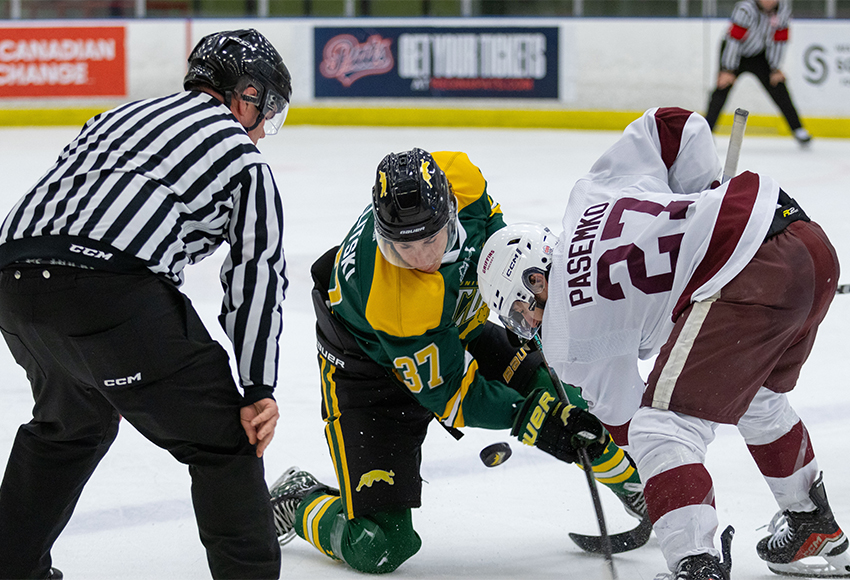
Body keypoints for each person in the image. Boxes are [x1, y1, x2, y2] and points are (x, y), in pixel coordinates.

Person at [477, 107, 845, 579]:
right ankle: (811, 522)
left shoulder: (566, 336)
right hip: (801, 238)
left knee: (662, 430)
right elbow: (673, 125)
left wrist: (652, 477)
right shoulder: (589, 196)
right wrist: (703, 195)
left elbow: (631, 423)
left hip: (743, 276)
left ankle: (696, 566)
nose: (528, 325)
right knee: (756, 398)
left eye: (519, 310)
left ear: (534, 278)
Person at [268, 148, 647, 574]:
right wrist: (529, 418)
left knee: (564, 401)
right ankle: (297, 500)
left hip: (452, 326)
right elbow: (453, 397)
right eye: (404, 247)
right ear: (383, 234)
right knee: (382, 546)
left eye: (431, 239)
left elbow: (499, 246)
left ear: (449, 209)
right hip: (367, 372)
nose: (422, 258)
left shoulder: (460, 179)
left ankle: (637, 487)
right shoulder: (395, 301)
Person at [0, 29, 290, 580]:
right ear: (244, 94)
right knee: (225, 443)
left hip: (12, 280)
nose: (260, 131)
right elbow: (256, 278)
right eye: (264, 109)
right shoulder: (241, 158)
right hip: (106, 289)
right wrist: (257, 390)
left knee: (71, 423)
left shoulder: (117, 116)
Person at [705, 0, 812, 146]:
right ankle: (706, 132)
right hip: (735, 53)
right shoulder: (745, 9)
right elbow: (733, 40)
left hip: (759, 55)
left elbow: (779, 40)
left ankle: (798, 129)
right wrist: (727, 69)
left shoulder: (783, 9)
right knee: (722, 88)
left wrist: (774, 68)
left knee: (778, 86)